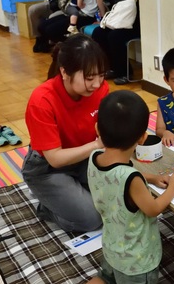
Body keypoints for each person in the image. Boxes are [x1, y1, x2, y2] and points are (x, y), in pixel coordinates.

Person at [87, 90, 174, 284]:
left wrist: (152, 177)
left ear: (98, 129)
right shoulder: (131, 179)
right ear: (142, 138)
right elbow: (153, 209)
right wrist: (173, 188)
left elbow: (114, 178)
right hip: (136, 262)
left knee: (104, 278)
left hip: (111, 247)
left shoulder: (94, 157)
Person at [22, 34, 109, 232]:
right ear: (64, 72)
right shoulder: (42, 101)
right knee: (92, 219)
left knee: (117, 196)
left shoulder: (100, 89)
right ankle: (47, 208)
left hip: (85, 158)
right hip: (47, 169)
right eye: (89, 78)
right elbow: (55, 159)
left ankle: (71, 192)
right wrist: (96, 145)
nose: (97, 84)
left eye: (101, 75)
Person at [92, 0, 139, 85]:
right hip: (125, 23)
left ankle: (125, 73)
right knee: (98, 32)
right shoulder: (131, 0)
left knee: (115, 37)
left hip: (138, 26)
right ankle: (112, 67)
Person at [37, 0, 105, 45]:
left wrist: (103, 19)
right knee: (42, 26)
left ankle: (71, 46)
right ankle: (45, 47)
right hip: (74, 12)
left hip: (86, 15)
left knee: (51, 29)